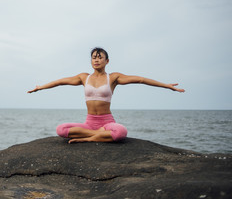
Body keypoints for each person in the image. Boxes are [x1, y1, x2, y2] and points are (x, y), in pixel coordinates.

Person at [27, 47, 185, 143]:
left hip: (107, 122)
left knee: (121, 132)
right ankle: (98, 135)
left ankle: (89, 138)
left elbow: (141, 79)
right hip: (89, 123)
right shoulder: (84, 77)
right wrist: (40, 88)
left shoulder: (113, 77)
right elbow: (61, 81)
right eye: (93, 58)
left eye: (100, 57)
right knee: (61, 129)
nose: (96, 60)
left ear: (107, 61)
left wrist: (167, 86)